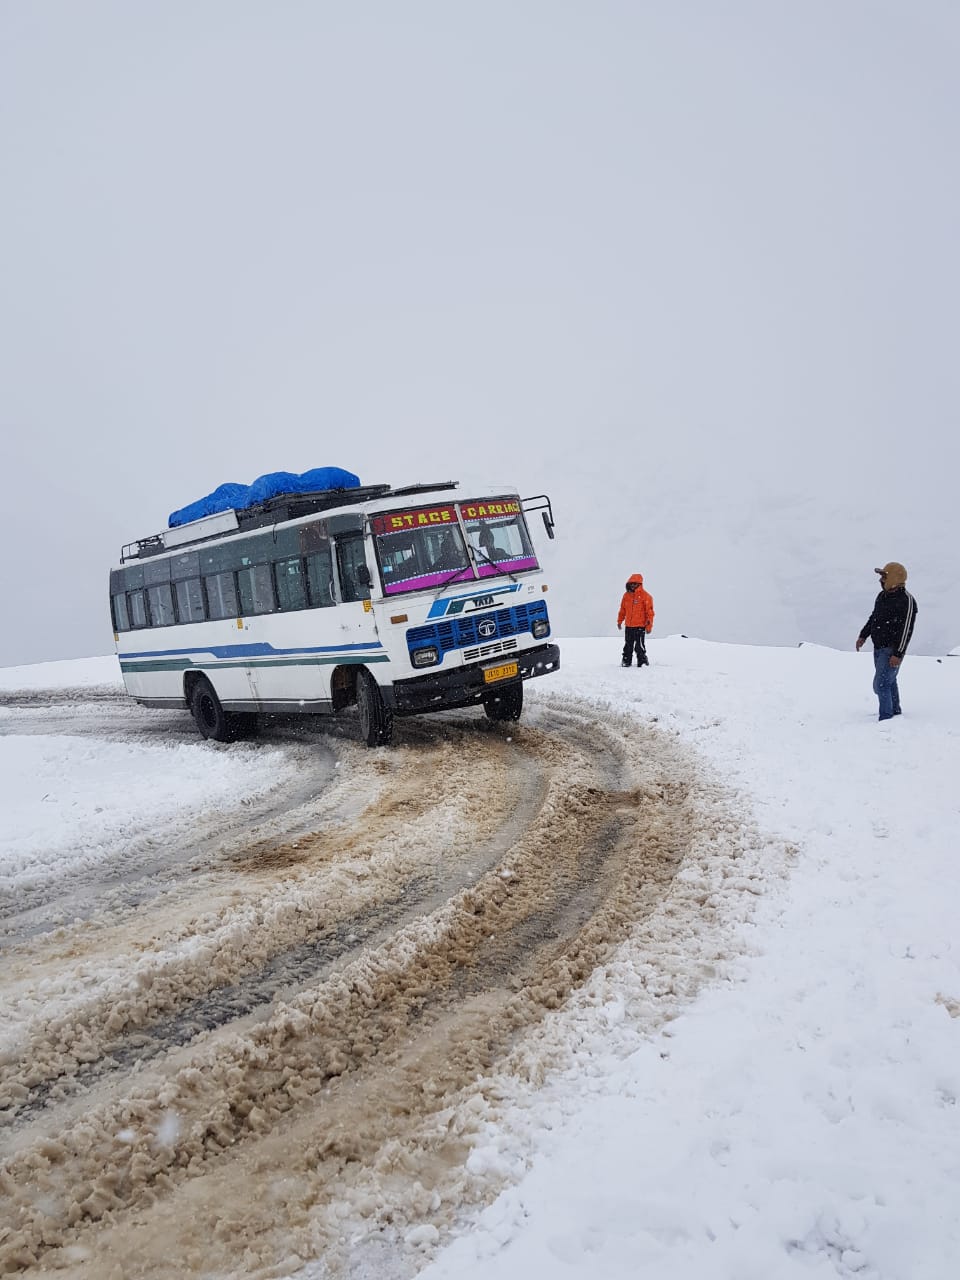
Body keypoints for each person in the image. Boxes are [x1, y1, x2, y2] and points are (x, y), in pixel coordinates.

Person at [856, 561, 918, 721]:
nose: (881, 580)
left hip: (892, 650)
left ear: (895, 579)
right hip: (879, 647)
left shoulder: (907, 600)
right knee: (889, 681)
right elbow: (874, 617)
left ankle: (886, 718)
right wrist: (863, 635)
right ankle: (895, 711)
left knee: (880, 685)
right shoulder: (882, 596)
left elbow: (906, 631)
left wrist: (898, 653)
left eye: (884, 577)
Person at [617, 573, 655, 667]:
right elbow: (622, 609)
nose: (633, 585)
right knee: (628, 646)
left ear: (640, 584)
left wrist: (649, 626)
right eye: (631, 584)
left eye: (635, 584)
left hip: (640, 626)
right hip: (629, 626)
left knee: (639, 646)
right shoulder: (626, 596)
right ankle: (626, 661)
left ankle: (642, 661)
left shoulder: (646, 597)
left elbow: (649, 613)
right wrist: (619, 621)